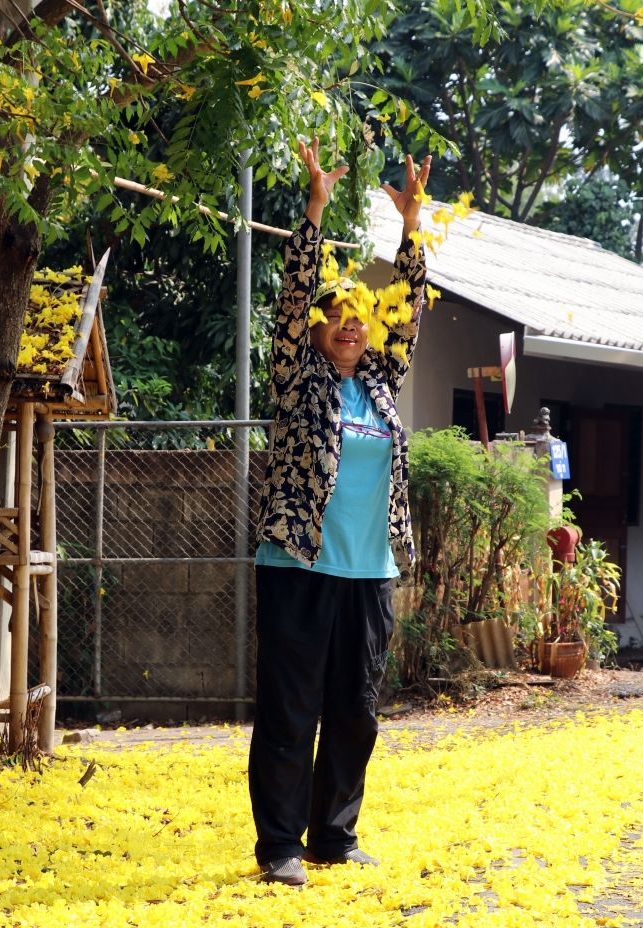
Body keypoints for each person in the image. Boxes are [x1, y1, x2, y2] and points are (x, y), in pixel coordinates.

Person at [249, 137, 431, 886]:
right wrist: (315, 210)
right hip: (299, 562)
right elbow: (293, 300)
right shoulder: (297, 377)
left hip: (368, 567)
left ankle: (334, 833)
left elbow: (411, 313)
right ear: (318, 330)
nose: (350, 326)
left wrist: (411, 228)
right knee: (292, 709)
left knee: (355, 710)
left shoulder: (381, 386)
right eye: (337, 317)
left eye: (359, 318)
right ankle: (281, 846)